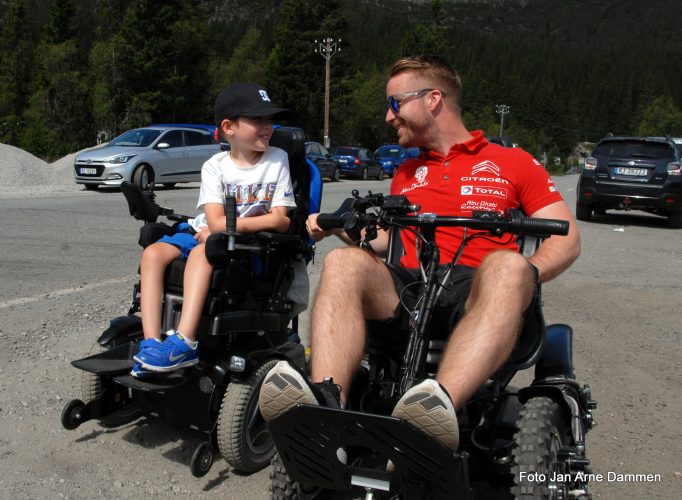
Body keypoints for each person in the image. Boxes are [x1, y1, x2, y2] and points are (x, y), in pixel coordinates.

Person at [258, 55, 580, 451]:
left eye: (395, 103)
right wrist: (342, 228)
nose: (389, 117)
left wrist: (521, 276)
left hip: (477, 289)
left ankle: (434, 413)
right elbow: (388, 242)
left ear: (433, 100)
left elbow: (566, 238)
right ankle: (327, 407)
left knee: (508, 266)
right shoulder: (406, 173)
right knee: (344, 262)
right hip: (411, 290)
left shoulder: (512, 162)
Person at [132, 83, 295, 378]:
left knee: (203, 253)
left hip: (241, 243)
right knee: (153, 254)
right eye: (258, 120)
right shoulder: (214, 166)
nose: (267, 127)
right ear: (228, 127)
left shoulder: (277, 159)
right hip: (203, 229)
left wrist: (224, 229)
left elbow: (282, 220)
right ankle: (152, 343)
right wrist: (219, 228)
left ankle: (184, 340)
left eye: (269, 120)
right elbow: (213, 221)